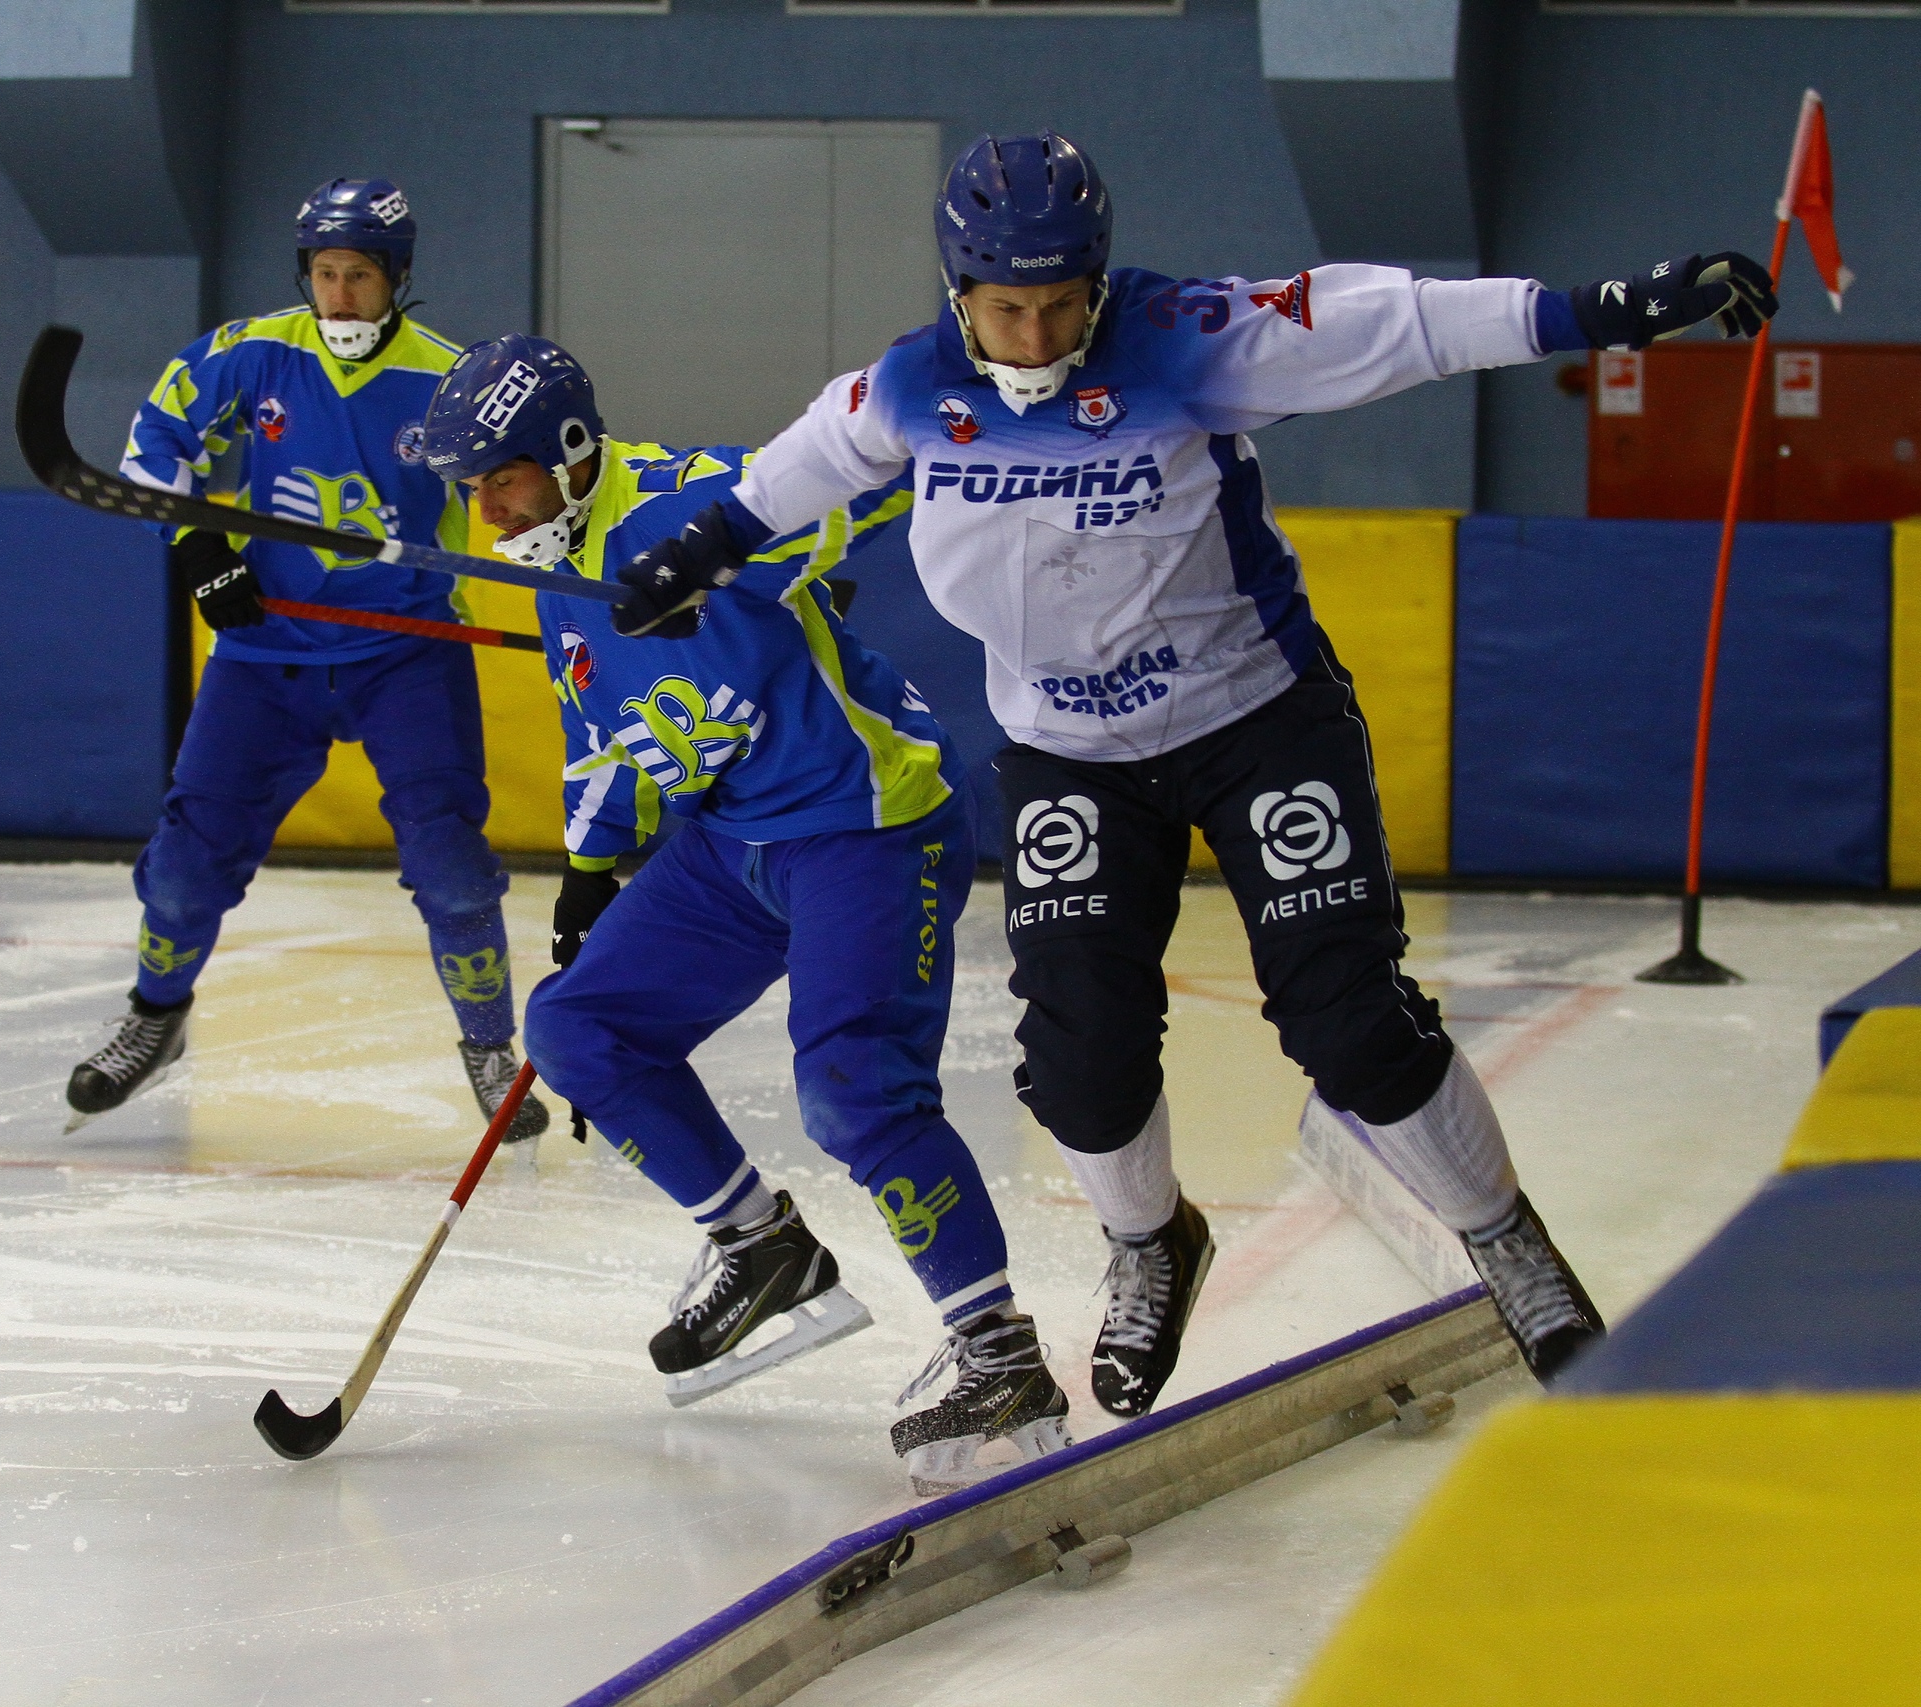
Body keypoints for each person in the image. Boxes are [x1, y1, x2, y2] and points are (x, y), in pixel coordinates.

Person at [614, 131, 1782, 1408]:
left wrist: (1600, 311)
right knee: (1076, 1060)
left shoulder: (1184, 338)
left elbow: (1398, 324)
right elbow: (791, 475)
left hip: (1254, 721)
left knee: (1352, 1025)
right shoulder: (906, 388)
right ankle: (1149, 1242)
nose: (1040, 331)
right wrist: (693, 552)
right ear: (959, 293)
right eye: (1008, 307)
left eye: (1064, 302)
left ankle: (1507, 1242)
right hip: (1070, 755)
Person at [420, 334, 1066, 1494]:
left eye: (498, 478)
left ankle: (998, 1354)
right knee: (575, 1029)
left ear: (569, 458)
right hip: (729, 849)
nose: (483, 508)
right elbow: (606, 736)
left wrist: (711, 560)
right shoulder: (553, 576)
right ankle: (761, 1249)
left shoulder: (677, 497)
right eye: (467, 490)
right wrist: (588, 866)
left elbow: (841, 499)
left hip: (864, 825)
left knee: (852, 1089)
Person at [66, 178, 547, 1143]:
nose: (338, 296)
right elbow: (157, 440)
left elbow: (536, 487)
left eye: (358, 276)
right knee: (183, 866)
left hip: (407, 652)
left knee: (452, 866)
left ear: (397, 280)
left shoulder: (452, 377)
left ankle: (490, 1046)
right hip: (263, 652)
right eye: (324, 274)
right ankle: (156, 1015)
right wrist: (200, 548)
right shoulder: (253, 353)